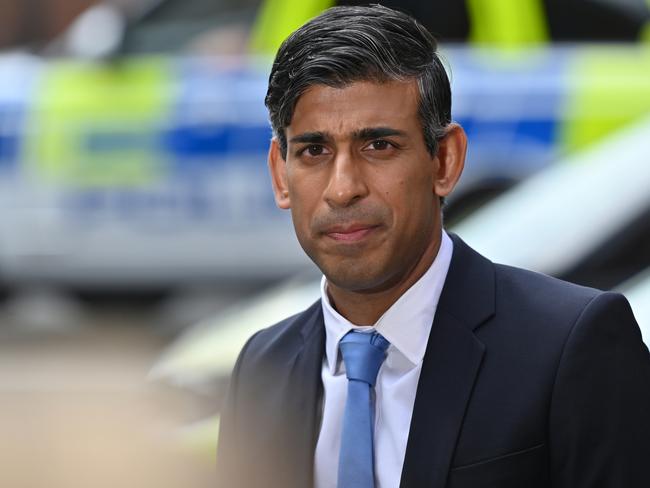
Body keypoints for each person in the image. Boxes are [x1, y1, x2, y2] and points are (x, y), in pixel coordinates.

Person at [216, 5, 650, 488]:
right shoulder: (263, 366)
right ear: (280, 174)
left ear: (445, 161)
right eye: (314, 151)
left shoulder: (572, 344)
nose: (342, 189)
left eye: (378, 146)